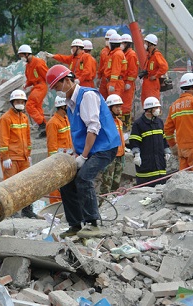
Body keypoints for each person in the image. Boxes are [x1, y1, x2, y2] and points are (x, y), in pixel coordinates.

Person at [46, 65, 120, 239]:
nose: (57, 91)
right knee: (66, 181)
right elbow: (77, 132)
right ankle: (75, 224)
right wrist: (77, 154)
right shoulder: (70, 102)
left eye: (58, 86)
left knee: (84, 178)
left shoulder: (87, 96)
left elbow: (93, 128)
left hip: (104, 147)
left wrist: (84, 157)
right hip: (88, 150)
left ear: (67, 80)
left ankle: (93, 223)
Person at [0, 89, 36, 218]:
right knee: (11, 185)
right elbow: (3, 139)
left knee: (27, 184)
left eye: (22, 101)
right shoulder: (5, 119)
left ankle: (27, 210)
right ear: (12, 102)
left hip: (24, 157)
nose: (20, 103)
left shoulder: (24, 118)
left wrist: (29, 154)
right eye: (17, 101)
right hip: (12, 158)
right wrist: (5, 157)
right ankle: (12, 210)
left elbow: (28, 137)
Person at [130, 96, 170, 187]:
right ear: (149, 109)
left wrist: (166, 150)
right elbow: (134, 141)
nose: (158, 110)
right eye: (156, 108)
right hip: (146, 166)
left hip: (159, 164)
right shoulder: (138, 124)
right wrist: (136, 155)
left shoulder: (159, 122)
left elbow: (163, 138)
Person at [46, 96, 73, 204]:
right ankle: (55, 207)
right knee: (56, 186)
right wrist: (54, 161)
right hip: (58, 160)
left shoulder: (66, 119)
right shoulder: (53, 123)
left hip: (67, 158)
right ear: (62, 106)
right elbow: (52, 145)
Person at [18, 44, 48, 138]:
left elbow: (47, 75)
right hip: (36, 86)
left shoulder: (38, 62)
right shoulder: (28, 66)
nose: (21, 58)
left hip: (41, 86)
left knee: (29, 105)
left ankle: (42, 124)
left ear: (27, 54)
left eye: (22, 55)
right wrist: (26, 84)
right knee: (37, 108)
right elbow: (30, 79)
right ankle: (45, 130)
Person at [100, 94, 125, 195]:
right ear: (110, 108)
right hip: (110, 157)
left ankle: (113, 202)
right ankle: (103, 204)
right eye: (117, 107)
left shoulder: (119, 122)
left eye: (120, 106)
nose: (119, 109)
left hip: (120, 155)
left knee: (116, 183)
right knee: (107, 183)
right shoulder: (104, 122)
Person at [140, 34, 169, 105]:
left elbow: (164, 67)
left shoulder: (156, 55)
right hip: (147, 82)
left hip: (152, 83)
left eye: (146, 43)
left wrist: (156, 76)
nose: (145, 44)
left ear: (151, 44)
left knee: (153, 103)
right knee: (145, 103)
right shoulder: (150, 55)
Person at [119, 34, 139, 131]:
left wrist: (129, 82)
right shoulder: (123, 54)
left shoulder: (131, 55)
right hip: (122, 83)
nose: (121, 45)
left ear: (127, 44)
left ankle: (126, 127)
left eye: (123, 43)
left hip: (128, 84)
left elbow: (133, 71)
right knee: (121, 105)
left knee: (126, 106)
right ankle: (123, 126)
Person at [97, 29, 117, 99]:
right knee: (102, 99)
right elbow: (101, 66)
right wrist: (99, 77)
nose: (107, 41)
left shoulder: (116, 52)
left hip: (112, 79)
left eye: (109, 39)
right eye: (106, 39)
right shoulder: (103, 51)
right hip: (104, 79)